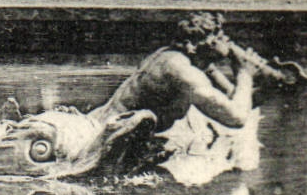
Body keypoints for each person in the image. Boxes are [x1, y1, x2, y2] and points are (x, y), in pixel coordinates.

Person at [91, 14, 266, 131]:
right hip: (99, 138)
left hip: (98, 124)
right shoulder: (183, 72)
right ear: (194, 44)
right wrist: (244, 74)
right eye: (217, 36)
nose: (226, 41)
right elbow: (237, 119)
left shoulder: (171, 56)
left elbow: (236, 99)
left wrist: (258, 80)